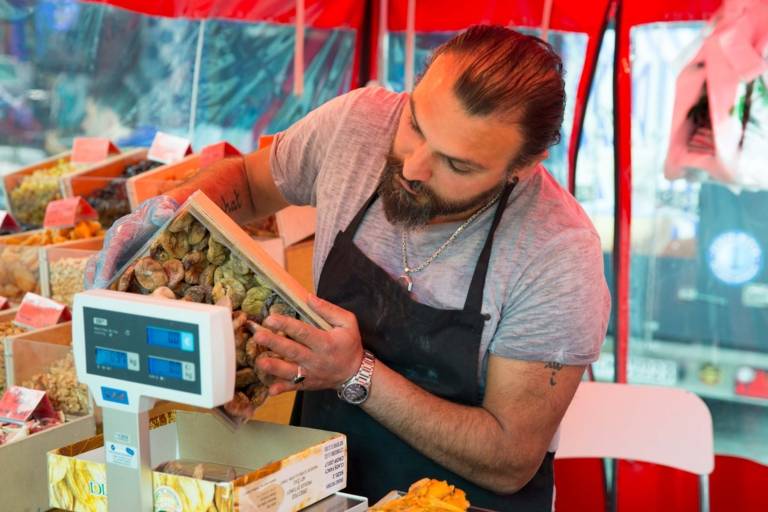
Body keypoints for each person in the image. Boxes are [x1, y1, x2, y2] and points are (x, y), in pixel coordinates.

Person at [89, 25, 610, 510]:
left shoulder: (557, 256)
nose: (413, 167)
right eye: (415, 125)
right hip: (318, 486)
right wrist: (167, 213)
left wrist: (356, 374)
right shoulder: (356, 124)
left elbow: (509, 459)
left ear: (525, 165)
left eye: (457, 164)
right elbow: (249, 184)